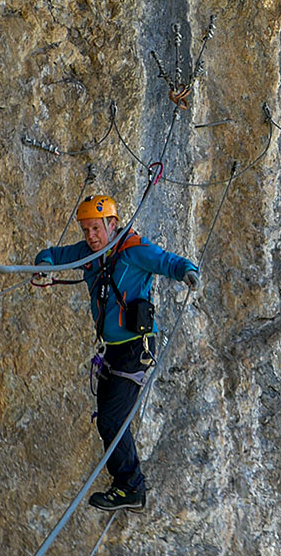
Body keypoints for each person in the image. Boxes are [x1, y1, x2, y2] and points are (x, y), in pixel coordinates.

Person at [34, 195, 199, 512]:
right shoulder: (86, 253)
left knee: (112, 419)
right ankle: (128, 485)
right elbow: (53, 254)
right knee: (108, 421)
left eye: (96, 228)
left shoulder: (133, 249)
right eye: (86, 230)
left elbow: (168, 262)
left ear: (112, 225)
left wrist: (188, 272)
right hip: (113, 350)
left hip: (135, 349)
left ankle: (130, 487)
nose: (91, 236)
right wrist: (45, 266)